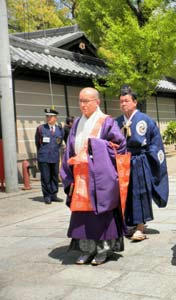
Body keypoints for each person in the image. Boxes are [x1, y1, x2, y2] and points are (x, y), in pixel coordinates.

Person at [60, 87, 127, 265]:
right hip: (80, 177)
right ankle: (86, 250)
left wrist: (96, 148)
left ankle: (103, 250)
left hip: (99, 178)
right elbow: (69, 149)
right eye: (80, 101)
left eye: (86, 101)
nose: (82, 105)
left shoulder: (106, 122)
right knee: (82, 217)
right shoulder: (76, 124)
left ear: (97, 102)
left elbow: (120, 146)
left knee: (101, 215)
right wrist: (68, 172)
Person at [115, 85, 168, 241]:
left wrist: (150, 159)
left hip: (139, 160)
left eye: (126, 101)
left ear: (135, 102)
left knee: (140, 192)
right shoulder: (116, 122)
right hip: (122, 162)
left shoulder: (145, 120)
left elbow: (155, 143)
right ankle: (129, 223)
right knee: (124, 194)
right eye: (121, 101)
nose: (123, 104)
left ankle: (140, 227)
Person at [35, 108, 64, 204]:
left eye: (50, 116)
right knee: (46, 177)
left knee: (54, 176)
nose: (48, 118)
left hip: (55, 156)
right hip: (44, 157)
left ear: (55, 118)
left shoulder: (60, 129)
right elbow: (38, 143)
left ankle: (54, 194)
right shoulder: (41, 128)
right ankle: (47, 196)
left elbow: (59, 143)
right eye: (47, 116)